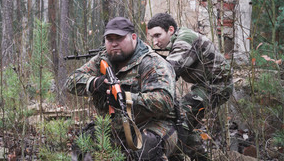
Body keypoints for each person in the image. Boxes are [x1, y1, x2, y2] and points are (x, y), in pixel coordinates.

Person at [66, 17, 179, 160]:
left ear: (133, 37)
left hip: (154, 125)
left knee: (146, 148)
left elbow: (165, 101)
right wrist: (94, 83)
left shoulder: (152, 63)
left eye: (119, 39)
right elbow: (71, 81)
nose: (114, 44)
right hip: (114, 125)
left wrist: (127, 99)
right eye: (109, 39)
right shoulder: (103, 59)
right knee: (80, 147)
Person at [147, 12, 233, 160]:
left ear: (171, 30)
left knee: (180, 118)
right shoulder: (178, 39)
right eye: (152, 37)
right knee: (184, 123)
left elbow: (169, 71)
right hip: (206, 85)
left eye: (157, 35)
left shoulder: (185, 40)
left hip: (218, 86)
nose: (155, 42)